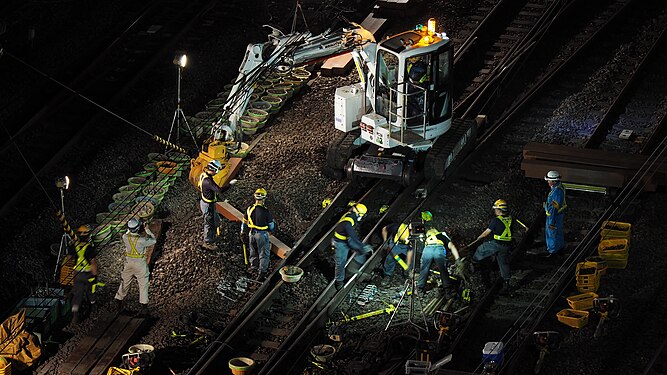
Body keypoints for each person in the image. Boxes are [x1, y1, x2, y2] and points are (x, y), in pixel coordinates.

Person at [470, 199, 516, 291]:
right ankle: (507, 283)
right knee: (503, 263)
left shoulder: (495, 220)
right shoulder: (511, 219)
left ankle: (474, 263)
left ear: (499, 210)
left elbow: (486, 233)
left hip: (497, 244)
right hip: (506, 246)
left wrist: (478, 238)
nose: (495, 210)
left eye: (495, 209)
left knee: (481, 249)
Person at [114, 218, 156, 316]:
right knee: (143, 284)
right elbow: (153, 240)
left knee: (125, 282)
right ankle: (144, 308)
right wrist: (147, 230)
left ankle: (118, 302)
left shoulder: (125, 237)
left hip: (129, 263)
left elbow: (128, 231)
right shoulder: (142, 240)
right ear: (138, 228)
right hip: (139, 263)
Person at [332, 203, 373, 290]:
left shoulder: (351, 216)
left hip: (346, 239)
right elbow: (351, 233)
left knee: (361, 248)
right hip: (340, 243)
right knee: (340, 263)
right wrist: (360, 245)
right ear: (359, 214)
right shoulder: (348, 221)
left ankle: (353, 267)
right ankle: (339, 282)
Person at [241, 188, 275, 282]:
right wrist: (272, 230)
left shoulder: (249, 209)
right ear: (264, 198)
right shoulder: (265, 211)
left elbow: (244, 222)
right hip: (261, 234)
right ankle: (262, 271)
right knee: (263, 253)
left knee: (253, 250)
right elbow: (271, 225)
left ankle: (253, 266)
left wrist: (242, 232)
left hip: (251, 233)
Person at [67, 224, 99, 324]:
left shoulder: (73, 247)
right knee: (91, 290)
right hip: (87, 274)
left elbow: (68, 259)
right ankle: (93, 306)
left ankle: (75, 314)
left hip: (77, 274)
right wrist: (95, 276)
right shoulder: (90, 248)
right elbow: (93, 263)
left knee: (77, 294)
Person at [198, 159, 231, 250]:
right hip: (208, 205)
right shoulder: (208, 181)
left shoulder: (203, 175)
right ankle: (208, 242)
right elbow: (219, 190)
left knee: (214, 220)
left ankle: (212, 236)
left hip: (205, 202)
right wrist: (229, 185)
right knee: (209, 223)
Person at [417, 228, 460, 298]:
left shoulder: (427, 238)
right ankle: (448, 292)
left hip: (427, 249)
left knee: (424, 270)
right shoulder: (442, 235)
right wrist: (457, 259)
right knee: (443, 270)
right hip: (438, 249)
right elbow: (452, 246)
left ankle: (419, 290)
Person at [543, 170, 567, 256]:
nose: (548, 182)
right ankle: (560, 248)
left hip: (553, 216)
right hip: (558, 215)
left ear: (553, 181)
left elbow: (554, 208)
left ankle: (552, 251)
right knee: (558, 232)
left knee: (552, 234)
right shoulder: (559, 188)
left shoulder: (556, 192)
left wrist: (551, 222)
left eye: (549, 181)